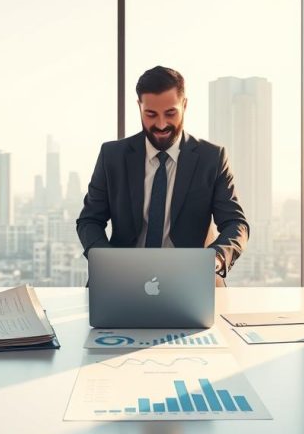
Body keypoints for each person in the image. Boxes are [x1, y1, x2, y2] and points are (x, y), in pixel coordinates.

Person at [76, 65, 249, 284]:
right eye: (150, 114)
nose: (160, 124)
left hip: (192, 281)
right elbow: (89, 220)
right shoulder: (112, 156)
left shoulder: (212, 158)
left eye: (170, 113)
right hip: (121, 279)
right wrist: (108, 261)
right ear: (139, 107)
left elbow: (236, 224)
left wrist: (215, 258)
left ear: (184, 105)